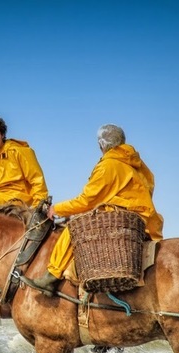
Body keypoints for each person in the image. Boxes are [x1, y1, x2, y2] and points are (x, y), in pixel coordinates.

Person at [30, 124, 164, 294]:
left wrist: (57, 209)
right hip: (144, 219)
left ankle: (51, 276)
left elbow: (87, 201)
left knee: (73, 230)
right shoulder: (138, 166)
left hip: (120, 215)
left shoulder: (108, 165)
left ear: (101, 145)